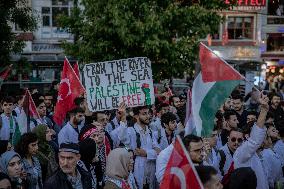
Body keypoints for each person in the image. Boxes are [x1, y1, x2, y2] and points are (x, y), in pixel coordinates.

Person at [112, 105, 160, 189]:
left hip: (151, 175)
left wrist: (146, 153)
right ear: (136, 116)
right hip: (137, 175)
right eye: (144, 114)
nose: (148, 116)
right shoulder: (131, 131)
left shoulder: (151, 132)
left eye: (148, 113)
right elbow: (122, 138)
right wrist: (123, 118)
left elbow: (159, 152)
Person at [233, 93, 270, 189]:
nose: (263, 138)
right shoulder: (242, 151)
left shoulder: (256, 153)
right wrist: (264, 110)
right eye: (261, 135)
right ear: (247, 136)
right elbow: (255, 139)